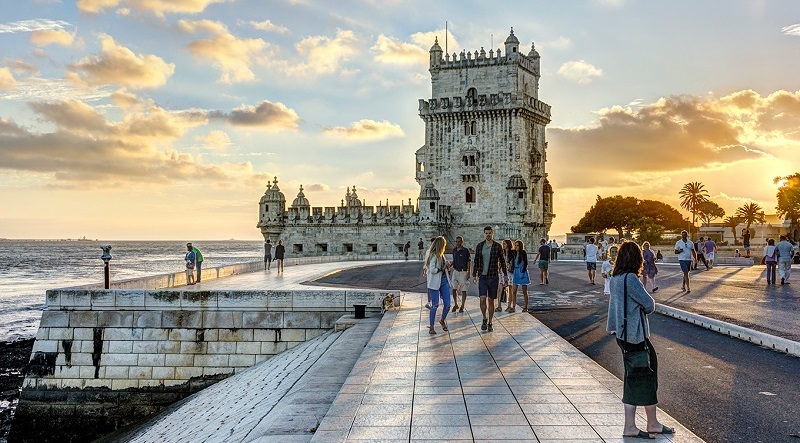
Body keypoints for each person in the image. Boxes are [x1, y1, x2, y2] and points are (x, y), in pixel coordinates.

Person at [606, 241, 672, 439]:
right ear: (635, 258)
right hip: (635, 336)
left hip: (622, 334)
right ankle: (642, 425)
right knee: (645, 376)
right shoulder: (631, 279)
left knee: (634, 376)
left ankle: (645, 423)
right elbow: (649, 304)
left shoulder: (616, 278)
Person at [472, 226, 507, 332]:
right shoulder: (480, 246)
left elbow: (502, 261)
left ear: (492, 234)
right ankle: (484, 318)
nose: (488, 235)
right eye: (486, 233)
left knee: (491, 301)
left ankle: (490, 322)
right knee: (482, 299)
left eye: (489, 233)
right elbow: (476, 261)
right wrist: (474, 275)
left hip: (493, 276)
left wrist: (505, 274)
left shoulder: (497, 246)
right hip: (482, 276)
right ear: (484, 234)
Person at [423, 236, 452, 334]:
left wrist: (447, 266)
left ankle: (442, 320)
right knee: (435, 305)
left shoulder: (441, 255)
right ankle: (431, 326)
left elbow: (443, 268)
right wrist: (442, 268)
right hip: (435, 282)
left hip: (444, 281)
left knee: (447, 305)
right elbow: (432, 269)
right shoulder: (433, 255)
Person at [450, 236, 471, 313]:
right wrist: (450, 266)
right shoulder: (454, 250)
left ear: (462, 242)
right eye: (456, 241)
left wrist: (469, 272)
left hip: (463, 271)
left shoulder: (465, 251)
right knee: (454, 289)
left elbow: (469, 261)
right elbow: (454, 260)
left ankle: (462, 305)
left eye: (459, 241)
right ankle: (455, 304)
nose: (457, 243)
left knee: (463, 289)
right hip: (456, 271)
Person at [513, 240, 532, 311]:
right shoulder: (514, 253)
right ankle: (513, 306)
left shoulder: (523, 253)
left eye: (517, 245)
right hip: (516, 272)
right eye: (515, 245)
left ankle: (525, 306)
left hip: (522, 271)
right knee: (514, 290)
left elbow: (526, 262)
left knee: (524, 290)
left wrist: (523, 271)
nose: (516, 247)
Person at [500, 239, 515, 312]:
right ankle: (499, 305)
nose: (503, 245)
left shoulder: (512, 253)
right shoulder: (502, 252)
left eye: (505, 244)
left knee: (510, 289)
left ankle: (509, 305)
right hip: (502, 271)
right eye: (503, 243)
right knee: (501, 288)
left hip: (510, 272)